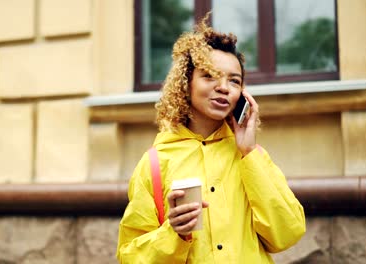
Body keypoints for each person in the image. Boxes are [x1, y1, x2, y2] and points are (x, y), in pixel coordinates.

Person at [116, 16, 305, 263]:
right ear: (186, 84)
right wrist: (174, 234)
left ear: (242, 94)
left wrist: (249, 153)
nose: (224, 87)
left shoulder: (251, 156)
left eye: (234, 81)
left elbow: (288, 233)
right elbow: (130, 256)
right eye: (210, 76)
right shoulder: (154, 163)